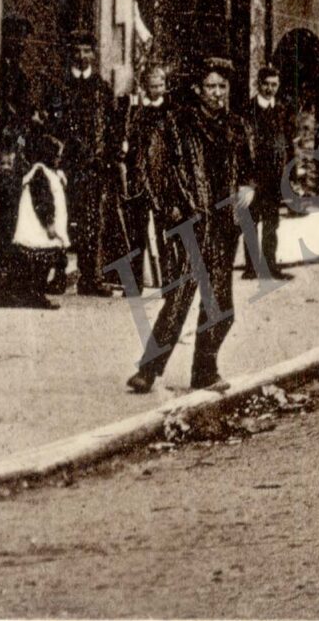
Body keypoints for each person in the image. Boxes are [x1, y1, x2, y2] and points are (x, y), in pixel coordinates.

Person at [126, 64, 246, 394]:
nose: (218, 93)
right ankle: (148, 370)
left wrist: (248, 190)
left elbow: (251, 168)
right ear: (197, 89)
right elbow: (152, 167)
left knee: (221, 305)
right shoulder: (176, 125)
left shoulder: (235, 127)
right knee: (179, 297)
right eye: (211, 86)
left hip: (223, 227)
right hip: (190, 223)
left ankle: (205, 371)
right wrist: (169, 208)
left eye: (222, 87)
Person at [56, 36, 121, 297]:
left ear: (94, 54)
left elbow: (114, 126)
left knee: (91, 221)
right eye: (77, 50)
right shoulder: (60, 87)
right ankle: (58, 274)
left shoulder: (102, 88)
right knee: (61, 218)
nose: (82, 55)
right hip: (66, 166)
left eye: (87, 50)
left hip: (94, 166)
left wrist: (110, 157)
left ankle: (89, 277)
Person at [116, 65, 171, 291]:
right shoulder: (134, 109)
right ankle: (134, 283)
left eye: (160, 85)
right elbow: (126, 137)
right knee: (137, 230)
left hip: (162, 178)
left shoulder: (171, 110)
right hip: (138, 176)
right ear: (145, 86)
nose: (156, 90)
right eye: (152, 86)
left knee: (164, 232)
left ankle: (168, 281)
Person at [238, 64, 294, 282]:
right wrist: (245, 180)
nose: (270, 89)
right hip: (253, 177)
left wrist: (289, 171)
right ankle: (251, 267)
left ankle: (270, 267)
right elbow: (241, 147)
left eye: (274, 85)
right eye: (266, 84)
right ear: (258, 84)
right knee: (251, 221)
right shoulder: (247, 111)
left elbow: (288, 143)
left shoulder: (282, 110)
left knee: (272, 222)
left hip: (274, 177)